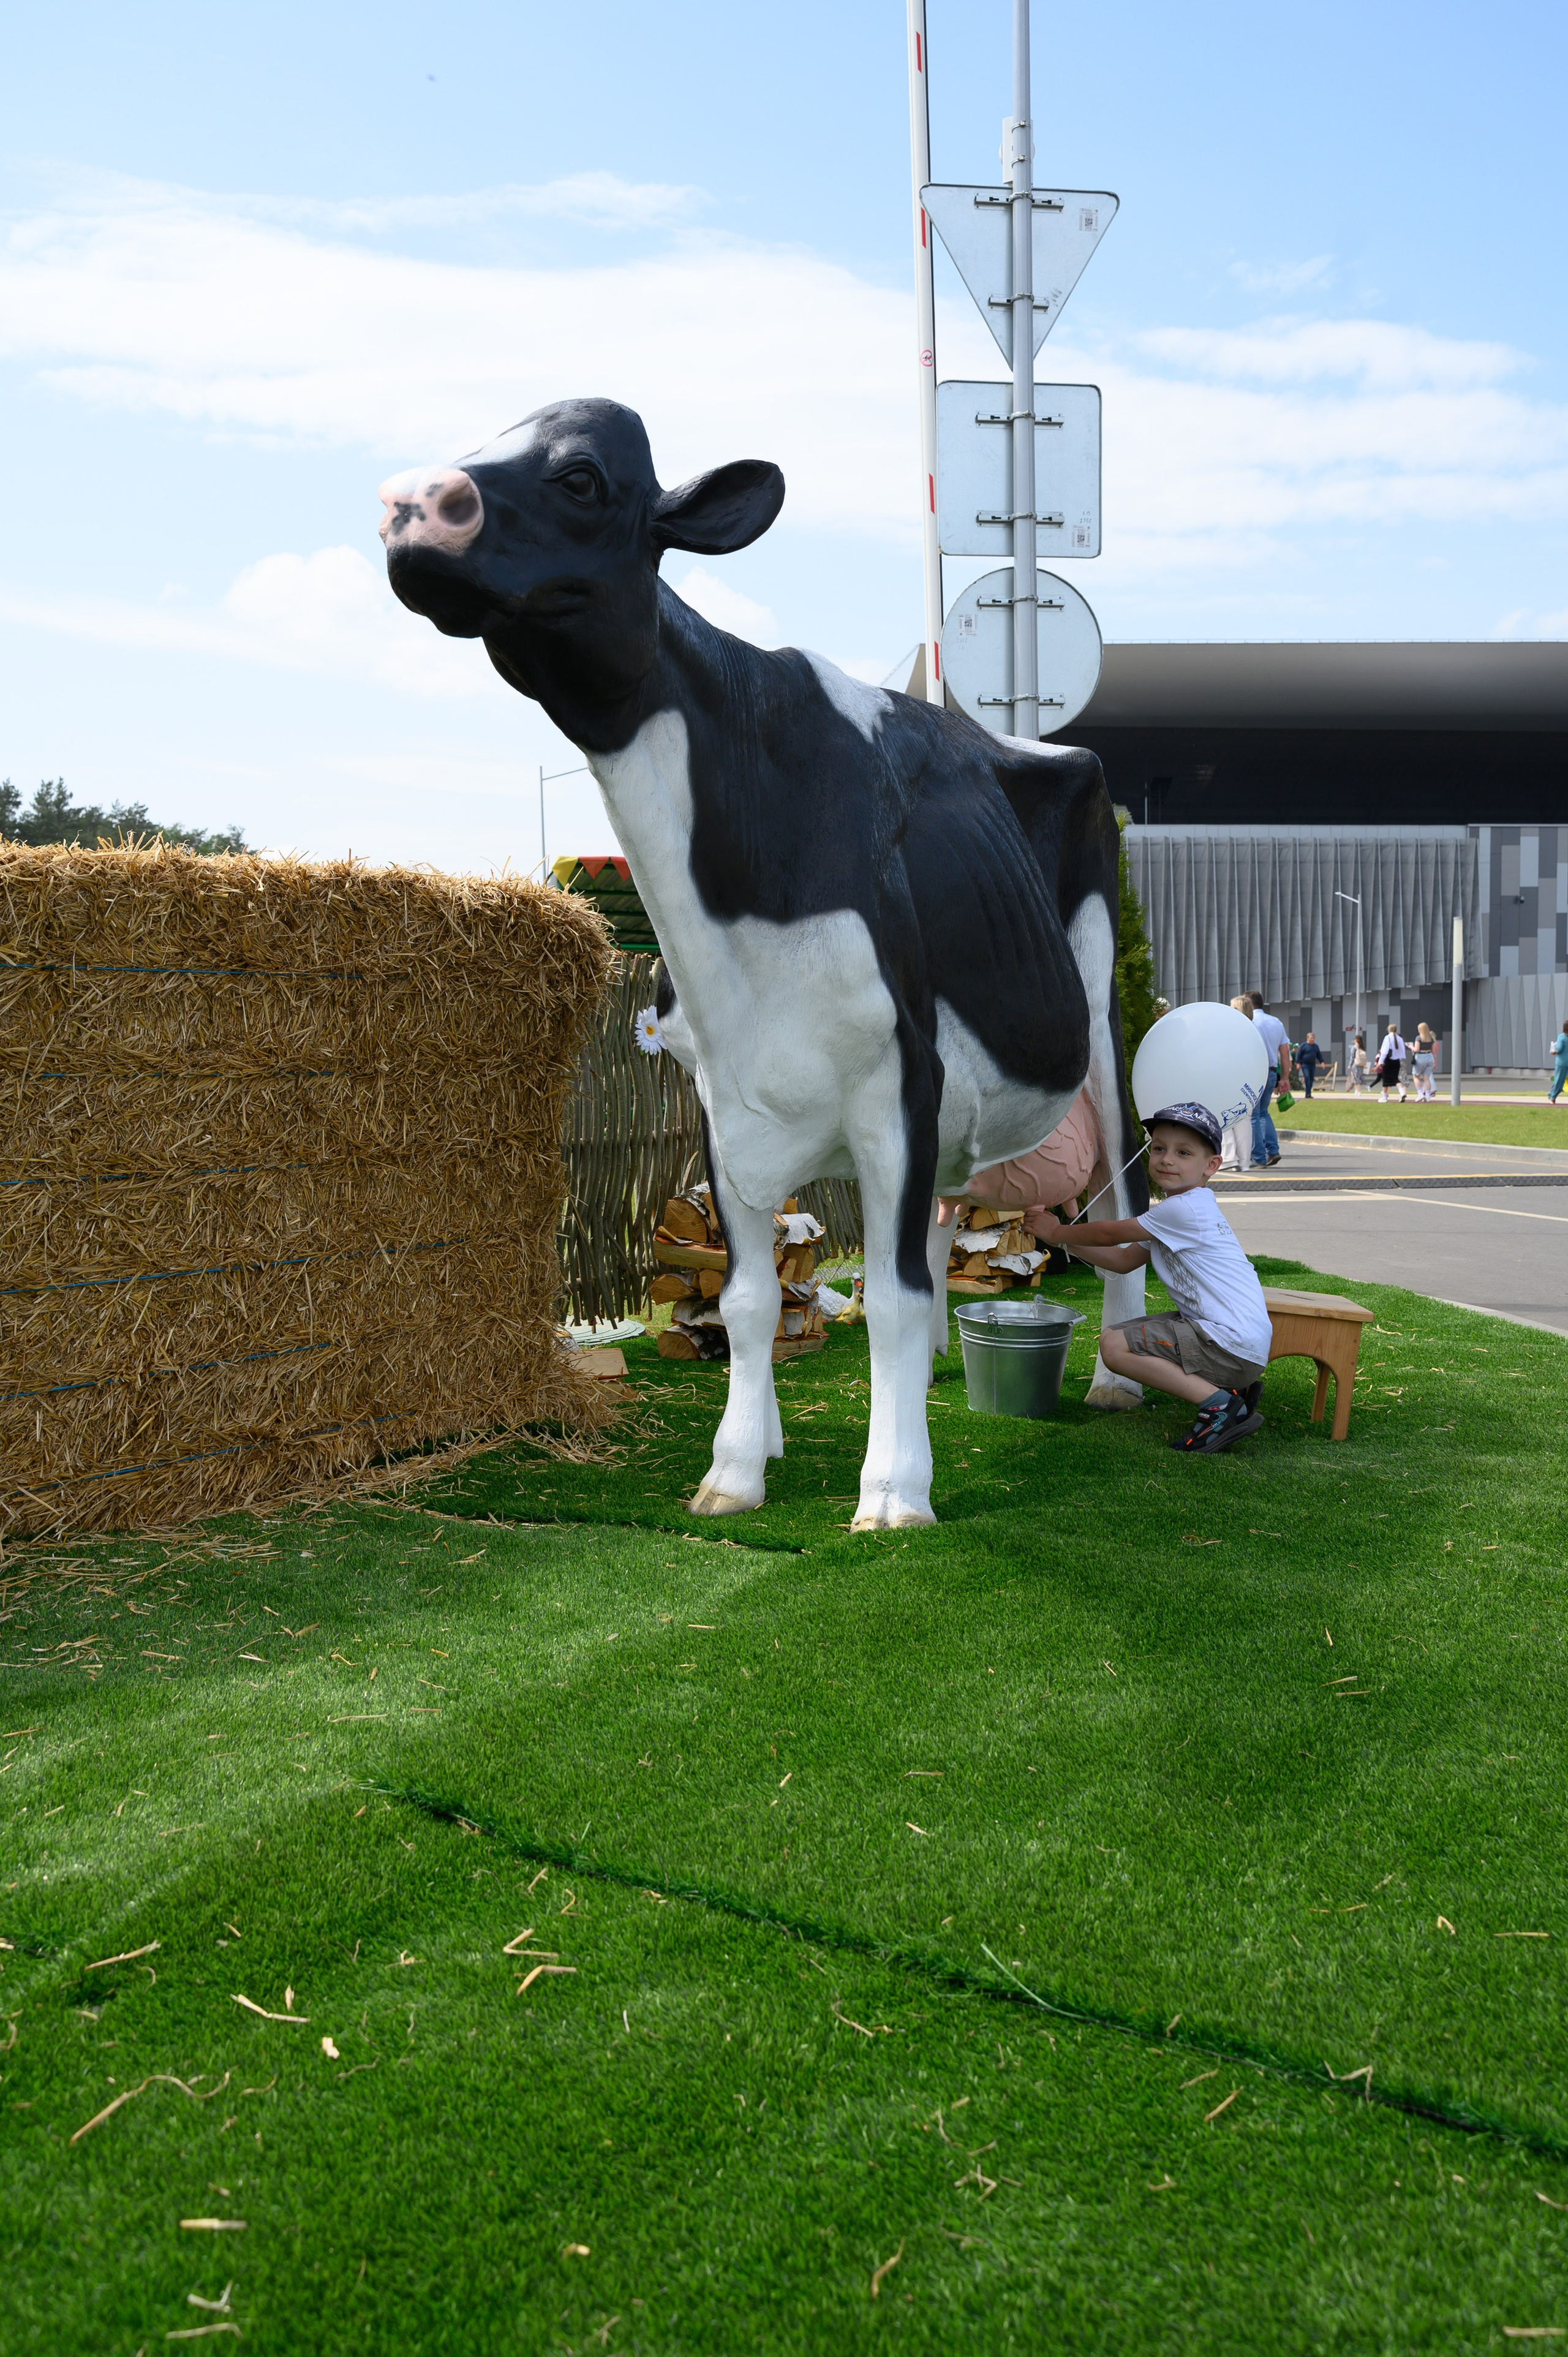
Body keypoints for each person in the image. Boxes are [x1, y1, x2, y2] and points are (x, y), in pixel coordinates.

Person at [1029, 1101, 1272, 1455]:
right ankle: (1233, 1393)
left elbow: (1108, 1235)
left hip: (1228, 1346)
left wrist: (1060, 1231)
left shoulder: (1183, 1210)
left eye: (1183, 1152)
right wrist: (1058, 1239)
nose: (1166, 1159)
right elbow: (1124, 1260)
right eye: (1159, 1148)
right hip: (1238, 1343)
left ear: (1212, 1166)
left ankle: (1221, 1405)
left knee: (1114, 1348)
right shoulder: (1181, 1211)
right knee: (1115, 1337)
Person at [1248, 992, 1289, 1166]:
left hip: (1255, 1071)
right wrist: (1285, 1078)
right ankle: (1273, 1150)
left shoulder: (1248, 1022)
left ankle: (1259, 1156)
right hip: (1272, 1071)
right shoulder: (1276, 1022)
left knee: (1254, 1116)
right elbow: (1285, 1052)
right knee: (1264, 1112)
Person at [1374, 1019, 1408, 1101]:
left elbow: (1384, 1051)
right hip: (1397, 1061)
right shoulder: (1400, 1038)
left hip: (1388, 1061)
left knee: (1386, 1079)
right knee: (1396, 1079)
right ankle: (1402, 1093)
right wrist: (1399, 1059)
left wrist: (1380, 1062)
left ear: (1389, 1030)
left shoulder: (1387, 1038)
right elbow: (1402, 1051)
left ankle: (1384, 1097)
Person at [1411, 1023, 1437, 1102]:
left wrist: (1410, 1046)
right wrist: (1435, 1062)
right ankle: (1428, 1096)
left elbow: (1417, 1049)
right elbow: (1433, 1051)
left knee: (1416, 1076)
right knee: (1427, 1079)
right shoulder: (1431, 1039)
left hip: (1420, 1057)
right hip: (1429, 1057)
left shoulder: (1419, 1038)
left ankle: (1420, 1094)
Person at [1297, 1033, 1324, 1097]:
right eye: (1312, 1038)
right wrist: (1298, 1063)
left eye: (1314, 1038)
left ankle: (1309, 1093)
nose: (1313, 1039)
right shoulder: (1303, 1046)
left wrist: (1322, 1062)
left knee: (1311, 1079)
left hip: (1312, 1065)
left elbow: (1319, 1055)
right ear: (1308, 1038)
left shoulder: (1316, 1047)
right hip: (1305, 1064)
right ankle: (1308, 1094)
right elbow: (1299, 1055)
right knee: (1307, 1077)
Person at [1346, 1030, 1370, 1094]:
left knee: (1356, 1078)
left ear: (1356, 1040)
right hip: (1361, 1064)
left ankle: (1359, 1091)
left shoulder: (1354, 1048)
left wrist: (1350, 1065)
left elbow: (1352, 1057)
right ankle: (1363, 1087)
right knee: (1360, 1076)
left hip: (1356, 1064)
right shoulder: (1362, 1047)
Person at [1551, 1018, 1568, 1105]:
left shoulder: (1561, 1037)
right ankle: (1552, 1095)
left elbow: (1558, 1049)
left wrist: (1553, 1051)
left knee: (1559, 1080)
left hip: (1562, 1062)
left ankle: (1552, 1096)